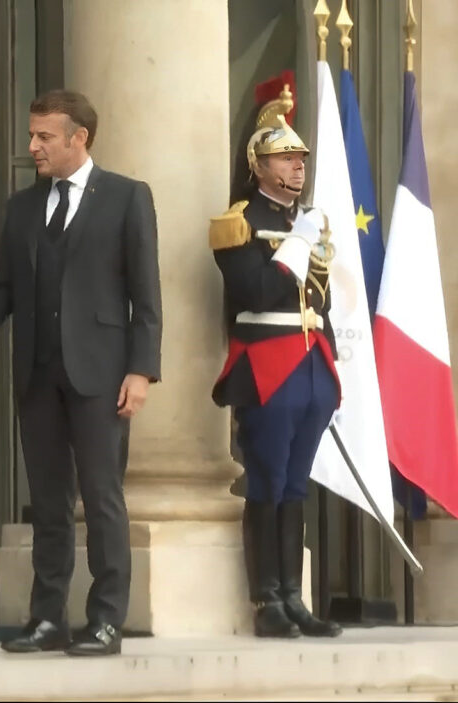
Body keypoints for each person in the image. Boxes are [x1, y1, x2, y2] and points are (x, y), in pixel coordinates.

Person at [0, 90, 161, 657]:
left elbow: (147, 296)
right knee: (48, 500)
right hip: (38, 375)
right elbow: (4, 287)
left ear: (77, 138)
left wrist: (142, 370)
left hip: (103, 375)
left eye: (43, 137)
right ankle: (47, 619)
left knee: (103, 498)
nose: (32, 146)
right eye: (32, 135)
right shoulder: (21, 207)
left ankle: (107, 620)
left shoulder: (127, 198)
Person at [207, 83, 341, 638]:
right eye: (285, 156)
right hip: (269, 362)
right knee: (267, 480)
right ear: (258, 164)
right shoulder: (237, 222)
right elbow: (257, 293)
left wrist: (332, 371)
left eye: (301, 157)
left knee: (296, 486)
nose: (297, 166)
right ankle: (266, 602)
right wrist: (296, 244)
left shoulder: (306, 221)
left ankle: (293, 596)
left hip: (312, 364)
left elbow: (321, 301)